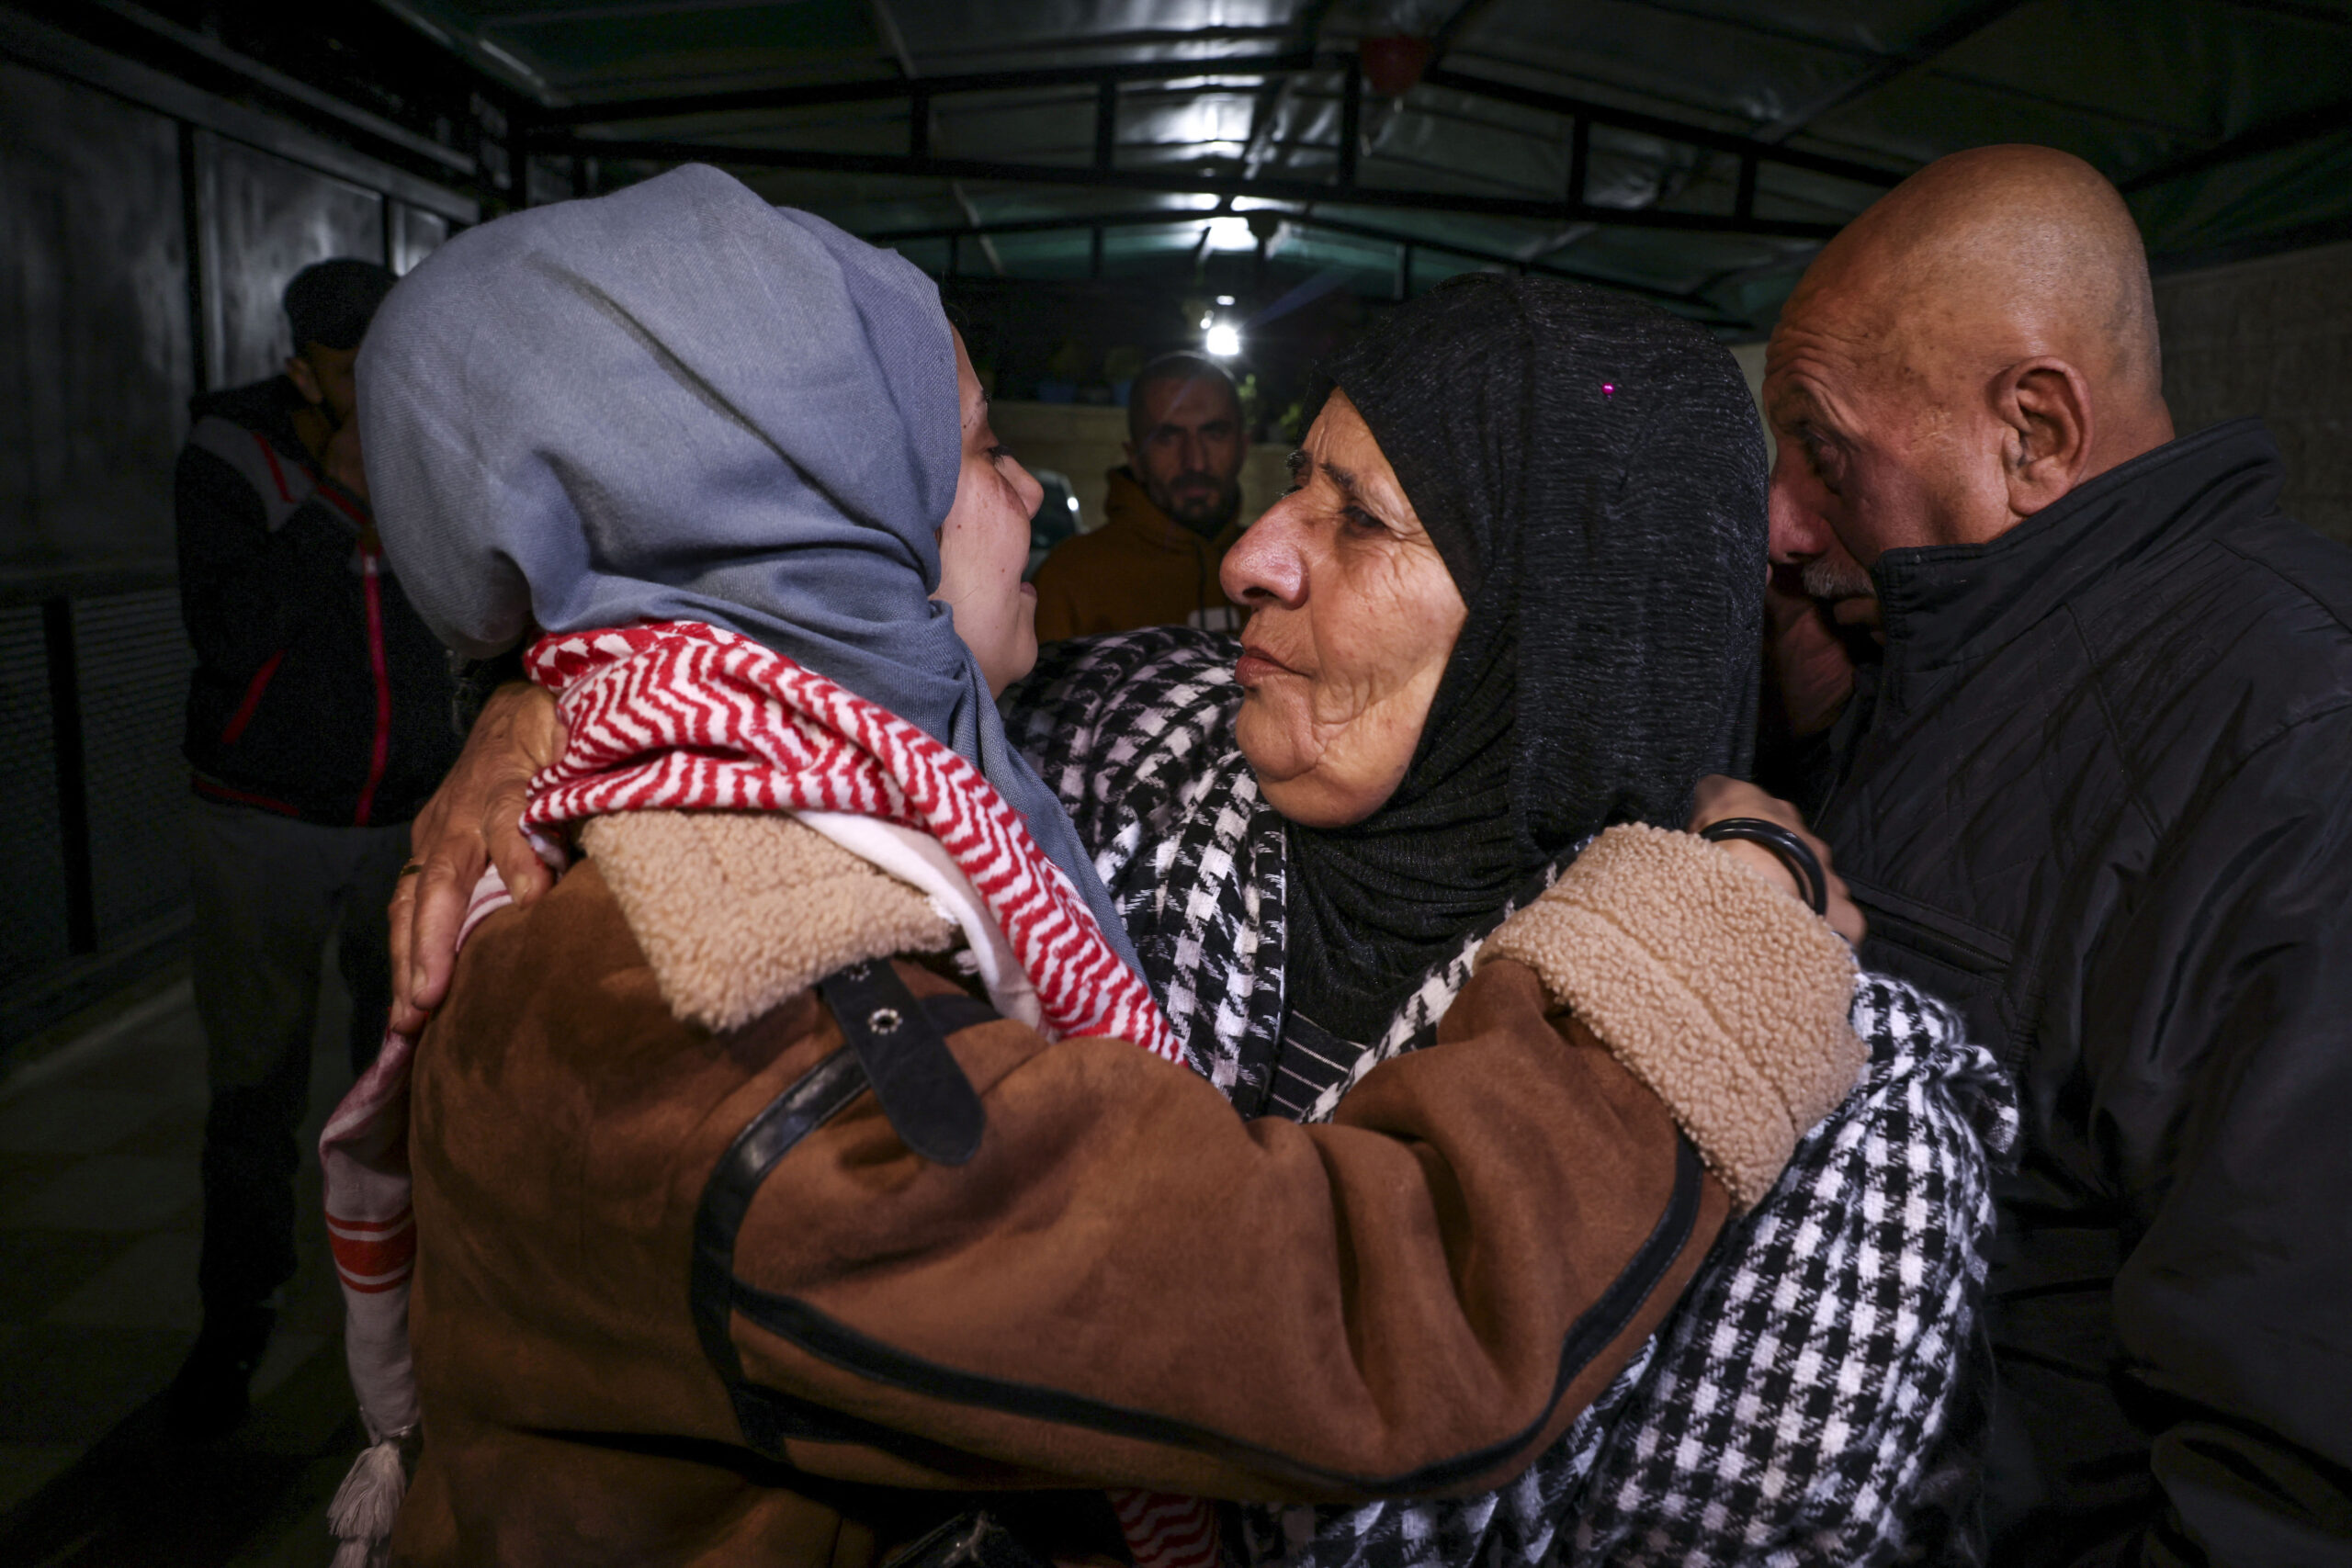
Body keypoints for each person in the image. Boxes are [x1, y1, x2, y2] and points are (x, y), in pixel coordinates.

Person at [336, 165, 1876, 1568]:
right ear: (808, 526)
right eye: (986, 453)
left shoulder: (789, 777)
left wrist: (553, 685)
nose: (1034, 504)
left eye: (1363, 517)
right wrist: (1703, 948)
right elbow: (1360, 1320)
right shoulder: (728, 1018)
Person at [1760, 143, 2352, 1564]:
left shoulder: (2292, 741)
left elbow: (2292, 1464)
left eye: (1825, 454)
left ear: (2033, 431)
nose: (1781, 519)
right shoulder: (1952, 657)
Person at [167, 257, 460, 1433]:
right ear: (302, 367)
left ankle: (412, 1336)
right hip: (266, 827)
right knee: (256, 1093)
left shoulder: (427, 449)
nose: (376, 380)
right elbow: (229, 636)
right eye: (350, 362)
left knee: (402, 1083)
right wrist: (339, 500)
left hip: (403, 820)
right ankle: (231, 1337)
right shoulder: (229, 460)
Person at [1028, 353, 1248, 641]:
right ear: (1135, 458)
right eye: (1167, 438)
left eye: (1214, 434)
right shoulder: (1069, 579)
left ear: (1244, 446)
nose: (1195, 461)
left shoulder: (1283, 573)